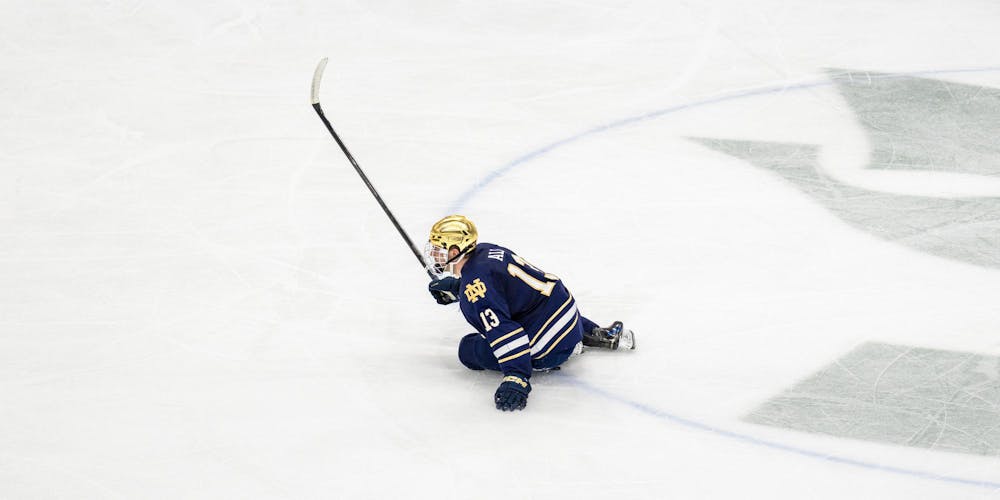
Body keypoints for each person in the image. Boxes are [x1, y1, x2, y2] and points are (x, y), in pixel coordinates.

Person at [424, 215, 635, 412]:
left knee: (468, 349)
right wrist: (458, 288)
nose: (433, 253)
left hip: (551, 347)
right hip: (569, 315)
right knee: (536, 305)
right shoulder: (487, 251)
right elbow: (508, 289)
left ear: (454, 251)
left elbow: (504, 331)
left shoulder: (474, 290)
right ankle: (594, 333)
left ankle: (560, 351)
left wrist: (516, 377)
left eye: (438, 248)